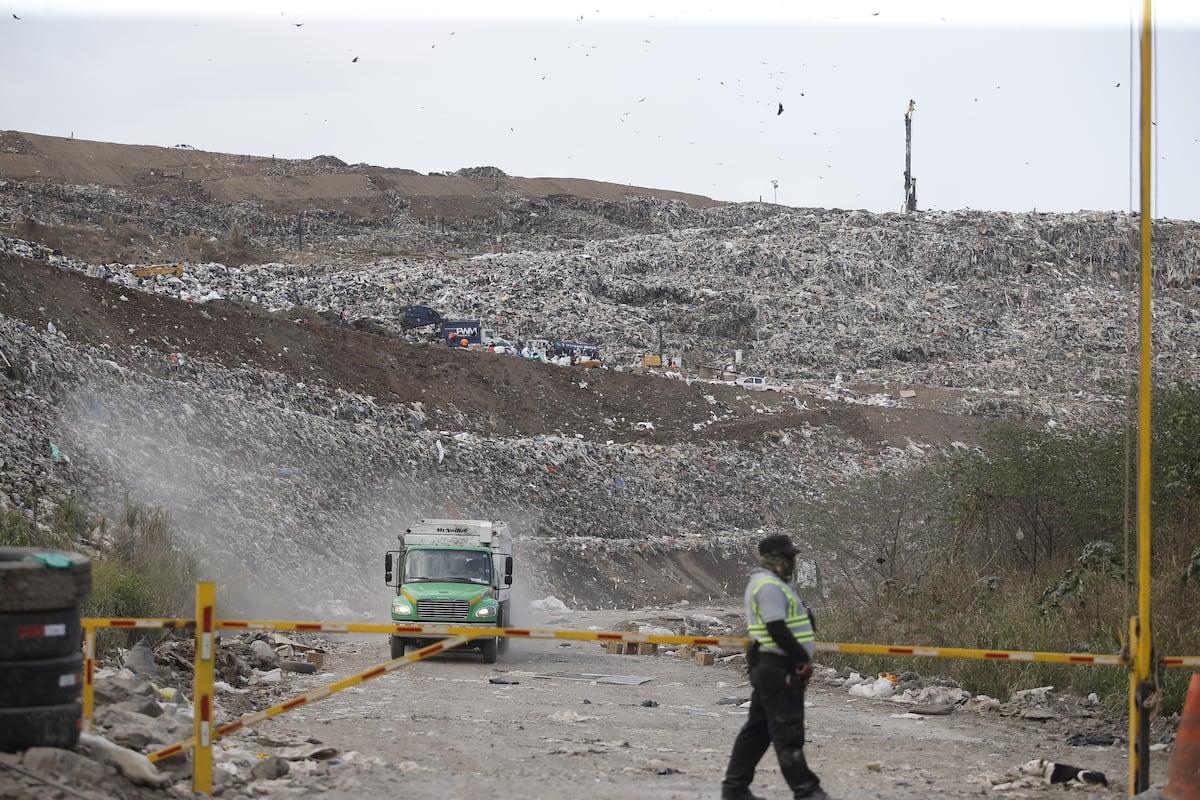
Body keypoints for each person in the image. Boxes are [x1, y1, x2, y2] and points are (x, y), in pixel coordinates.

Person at [722, 534, 827, 800]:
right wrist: (802, 659)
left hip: (772, 665)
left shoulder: (775, 584)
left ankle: (735, 789)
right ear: (774, 559)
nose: (793, 562)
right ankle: (807, 791)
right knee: (787, 730)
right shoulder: (768, 585)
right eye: (789, 557)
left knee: (758, 731)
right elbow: (776, 627)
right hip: (777, 666)